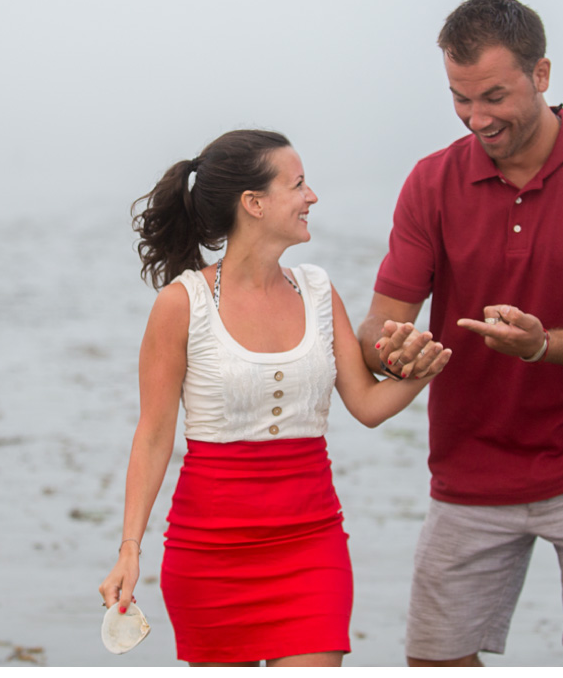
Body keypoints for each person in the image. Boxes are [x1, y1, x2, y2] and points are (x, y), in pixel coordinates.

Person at [359, 0, 563, 667]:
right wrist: (395, 351)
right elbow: (380, 327)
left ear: (542, 75)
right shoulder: (430, 182)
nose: (477, 118)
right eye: (459, 98)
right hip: (470, 467)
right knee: (435, 660)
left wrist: (544, 345)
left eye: (494, 96)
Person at [98, 129, 452, 667]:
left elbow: (367, 405)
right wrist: (129, 549)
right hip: (210, 555)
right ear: (254, 204)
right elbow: (152, 436)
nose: (312, 197)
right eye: (299, 184)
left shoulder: (316, 289)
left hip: (314, 547)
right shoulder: (181, 304)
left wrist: (422, 372)